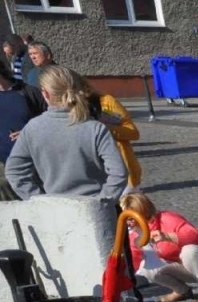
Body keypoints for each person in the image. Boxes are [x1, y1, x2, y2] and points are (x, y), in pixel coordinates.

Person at [4, 65, 126, 200]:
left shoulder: (32, 128)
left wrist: (39, 200)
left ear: (45, 94)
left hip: (55, 208)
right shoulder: (95, 128)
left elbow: (14, 171)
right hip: (94, 207)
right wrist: (103, 201)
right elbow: (119, 173)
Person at [120, 192, 198, 302]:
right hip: (184, 268)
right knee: (146, 267)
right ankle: (182, 291)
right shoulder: (135, 235)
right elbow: (133, 261)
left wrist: (167, 237)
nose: (129, 223)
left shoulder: (167, 218)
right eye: (125, 218)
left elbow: (194, 235)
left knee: (189, 251)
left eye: (131, 218)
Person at [79, 74, 141, 191]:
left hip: (121, 175)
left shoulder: (105, 102)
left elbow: (133, 133)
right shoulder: (64, 111)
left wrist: (106, 128)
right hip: (89, 178)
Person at [0, 68, 45, 200]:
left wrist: (29, 133)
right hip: (3, 167)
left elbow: (51, 122)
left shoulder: (28, 92)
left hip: (32, 163)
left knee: (39, 202)